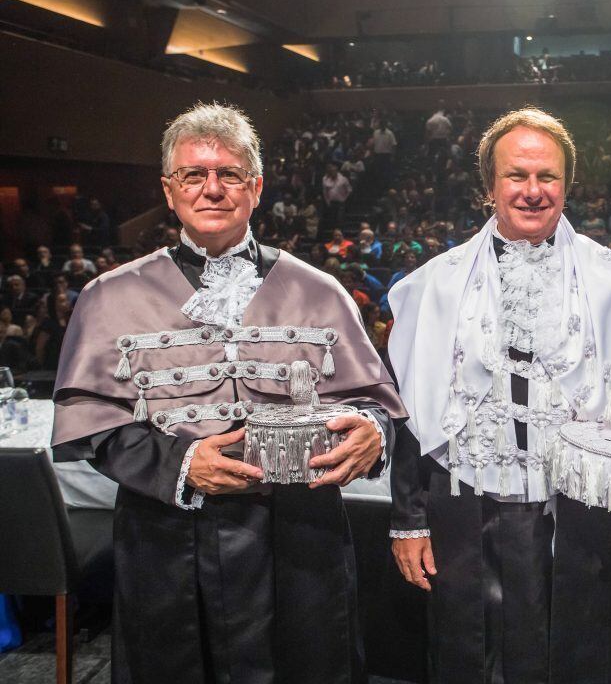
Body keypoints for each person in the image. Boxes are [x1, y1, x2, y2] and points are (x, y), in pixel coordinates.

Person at [50, 103, 405, 683]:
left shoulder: (319, 291)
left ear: (256, 187)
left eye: (230, 174)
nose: (211, 188)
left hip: (300, 536)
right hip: (167, 535)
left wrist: (372, 431)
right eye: (193, 175)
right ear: (169, 191)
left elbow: (372, 400)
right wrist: (183, 463)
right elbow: (89, 421)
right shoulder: (108, 297)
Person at [387, 107, 611, 683]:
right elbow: (411, 413)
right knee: (470, 663)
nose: (532, 191)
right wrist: (408, 519)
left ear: (567, 185)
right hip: (465, 514)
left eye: (546, 177)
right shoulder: (433, 286)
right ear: (489, 186)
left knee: (586, 660)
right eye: (516, 176)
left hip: (583, 520)